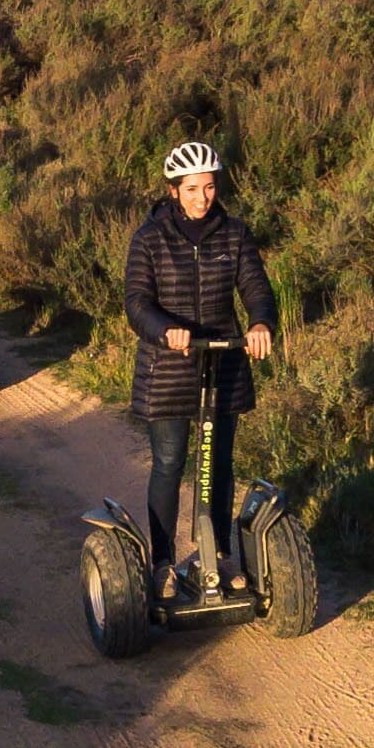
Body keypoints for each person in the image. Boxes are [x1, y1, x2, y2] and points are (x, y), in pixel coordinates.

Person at [123, 141, 277, 605]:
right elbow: (136, 303)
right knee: (170, 462)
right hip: (168, 365)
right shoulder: (149, 239)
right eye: (192, 189)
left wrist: (260, 323)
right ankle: (163, 563)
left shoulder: (234, 233)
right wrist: (165, 330)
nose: (202, 198)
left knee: (218, 463)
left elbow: (256, 286)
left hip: (223, 359)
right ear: (173, 190)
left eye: (209, 187)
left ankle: (218, 557)